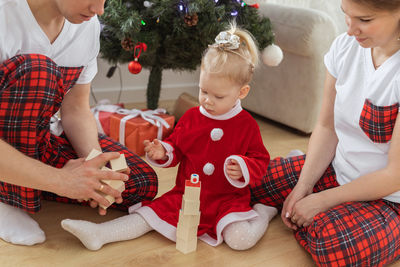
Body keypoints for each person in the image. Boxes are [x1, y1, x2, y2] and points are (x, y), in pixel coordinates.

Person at [61, 23, 278, 251]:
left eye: (219, 96)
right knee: (148, 215)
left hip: (228, 201)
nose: (207, 100)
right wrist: (163, 151)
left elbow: (260, 160)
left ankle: (263, 213)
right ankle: (100, 233)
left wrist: (243, 166)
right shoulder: (193, 117)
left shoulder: (246, 125)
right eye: (203, 91)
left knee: (240, 241)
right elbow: (176, 147)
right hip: (186, 196)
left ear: (241, 93)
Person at [249, 0, 400, 266]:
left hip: (388, 199)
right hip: (337, 170)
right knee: (251, 179)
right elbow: (326, 126)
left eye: (364, 20)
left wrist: (322, 201)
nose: (352, 29)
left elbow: (394, 176)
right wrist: (303, 187)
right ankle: (326, 212)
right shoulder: (344, 46)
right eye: (346, 15)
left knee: (332, 243)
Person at [0, 0, 157, 246]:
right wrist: (62, 181)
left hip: (40, 138)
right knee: (39, 71)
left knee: (138, 182)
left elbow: (75, 109)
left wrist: (95, 166)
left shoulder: (86, 25)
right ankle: (8, 199)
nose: (100, 10)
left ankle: (32, 182)